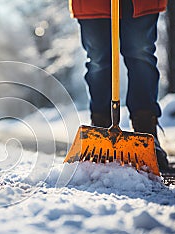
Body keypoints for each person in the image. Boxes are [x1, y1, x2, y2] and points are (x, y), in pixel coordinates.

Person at [69, 0, 169, 169]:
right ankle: (100, 127)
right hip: (93, 4)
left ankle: (145, 129)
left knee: (141, 54)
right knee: (98, 61)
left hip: (139, 4)